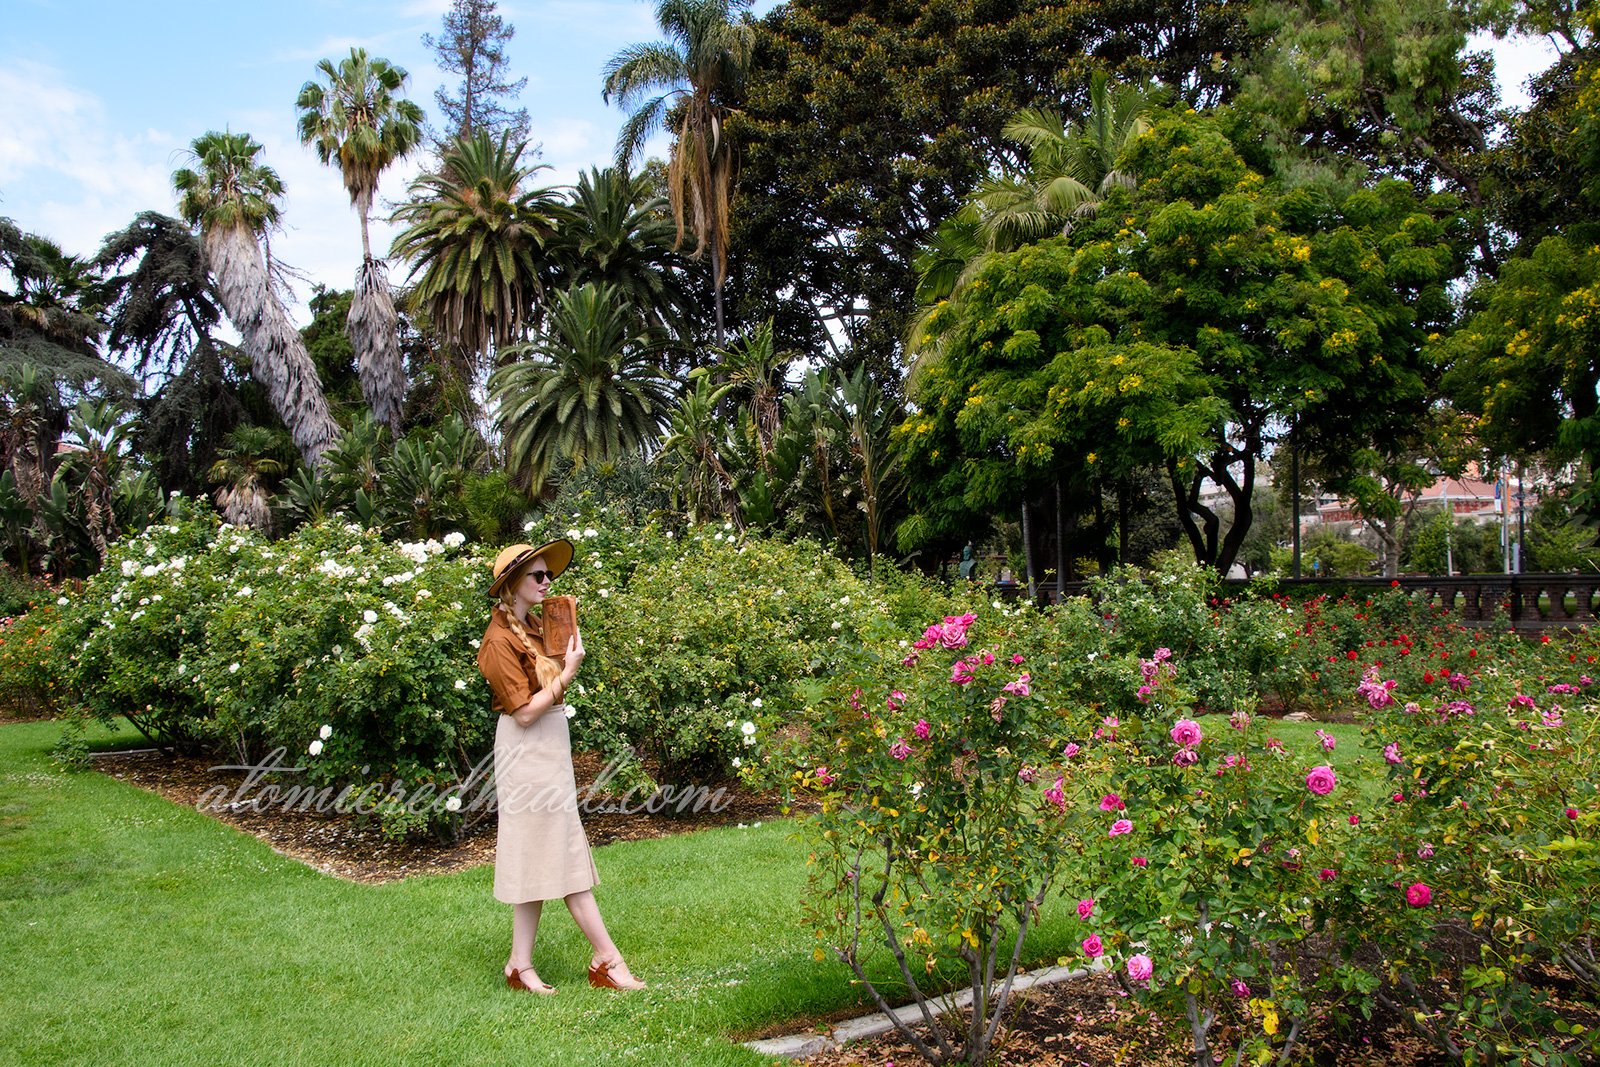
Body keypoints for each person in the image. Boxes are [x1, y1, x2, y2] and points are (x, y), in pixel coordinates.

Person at [477, 539, 647, 994]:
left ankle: (519, 965)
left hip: (549, 744)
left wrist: (562, 653)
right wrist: (568, 671)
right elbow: (524, 713)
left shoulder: (533, 625)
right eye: (537, 575)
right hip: (527, 749)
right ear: (511, 584)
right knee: (563, 849)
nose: (547, 581)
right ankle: (607, 959)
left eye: (548, 574)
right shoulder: (496, 641)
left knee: (539, 852)